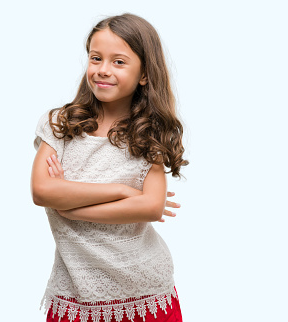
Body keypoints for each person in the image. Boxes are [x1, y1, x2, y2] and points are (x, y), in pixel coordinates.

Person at [31, 13, 188, 322]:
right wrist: (122, 191)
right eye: (96, 58)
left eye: (119, 62)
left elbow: (152, 206)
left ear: (144, 74)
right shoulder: (61, 125)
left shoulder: (147, 134)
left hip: (145, 294)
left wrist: (70, 207)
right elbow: (42, 190)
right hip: (75, 294)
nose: (103, 70)